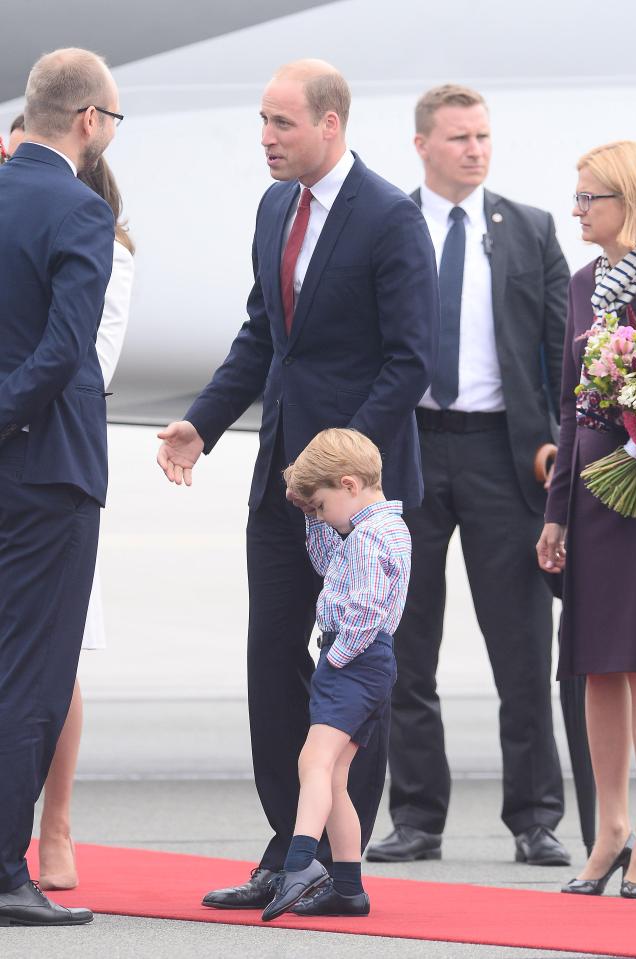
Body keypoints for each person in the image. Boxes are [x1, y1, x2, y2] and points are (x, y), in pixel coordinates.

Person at [157, 58, 439, 911]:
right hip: (277, 485)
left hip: (352, 499)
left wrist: (332, 466)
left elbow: (407, 361)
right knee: (271, 663)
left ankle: (340, 870)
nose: (266, 139)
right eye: (262, 121)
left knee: (350, 667)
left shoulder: (390, 218)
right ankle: (289, 847)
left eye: (282, 123)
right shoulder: (275, 206)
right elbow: (260, 336)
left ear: (330, 123)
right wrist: (201, 422)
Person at [367, 84, 571, 867]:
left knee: (520, 645)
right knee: (406, 644)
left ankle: (534, 817)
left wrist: (557, 449)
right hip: (410, 445)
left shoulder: (527, 229)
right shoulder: (388, 223)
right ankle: (416, 816)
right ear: (422, 144)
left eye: (482, 136)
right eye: (458, 137)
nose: (475, 149)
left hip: (501, 454)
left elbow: (558, 352)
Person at [0, 48, 120, 926]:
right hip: (45, 469)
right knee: (32, 674)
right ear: (88, 122)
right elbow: (65, 349)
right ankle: (8, 869)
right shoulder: (78, 210)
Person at [538, 140, 636, 900]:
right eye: (577, 196)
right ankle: (608, 827)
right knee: (592, 663)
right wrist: (554, 513)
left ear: (630, 199)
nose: (578, 210)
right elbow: (569, 401)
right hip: (590, 489)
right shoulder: (583, 282)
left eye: (590, 197)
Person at [259, 428, 410, 920]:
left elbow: (366, 609)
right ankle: (348, 887)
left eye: (321, 506)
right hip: (365, 661)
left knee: (313, 761)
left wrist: (338, 657)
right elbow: (328, 565)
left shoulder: (368, 537)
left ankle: (301, 861)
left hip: (354, 660)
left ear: (348, 484)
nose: (320, 514)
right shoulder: (375, 528)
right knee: (337, 775)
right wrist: (312, 517)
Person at [38, 155, 135, 891]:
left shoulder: (108, 247)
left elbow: (90, 364)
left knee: (56, 656)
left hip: (55, 457)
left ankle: (57, 825)